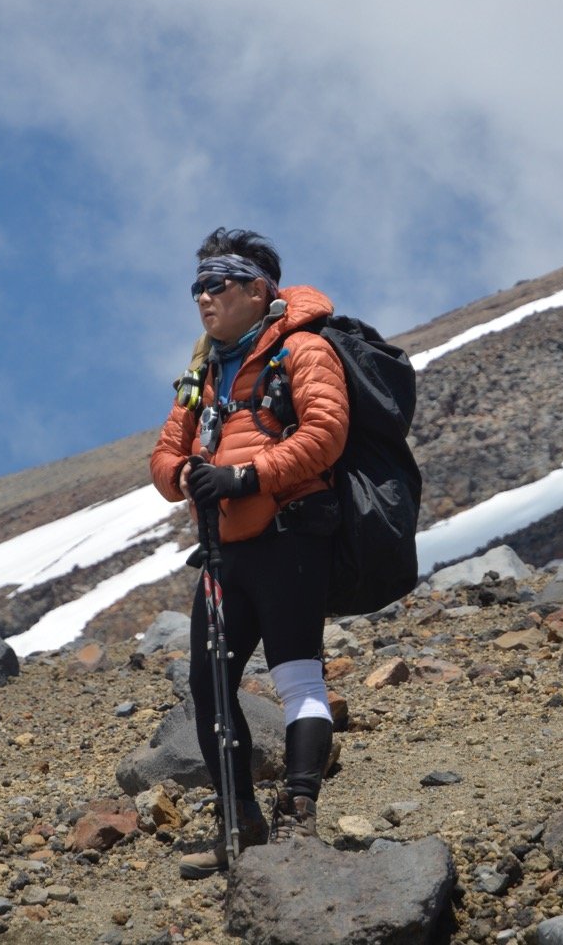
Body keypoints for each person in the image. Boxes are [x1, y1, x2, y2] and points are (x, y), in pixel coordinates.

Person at [150, 227, 350, 879]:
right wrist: (185, 479)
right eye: (197, 286)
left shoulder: (303, 349)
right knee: (208, 690)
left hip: (290, 538)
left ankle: (300, 810)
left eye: (217, 283)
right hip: (223, 554)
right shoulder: (202, 369)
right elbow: (164, 458)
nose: (203, 297)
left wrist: (241, 478)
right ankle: (239, 824)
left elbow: (325, 433)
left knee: (297, 680)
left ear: (257, 287)